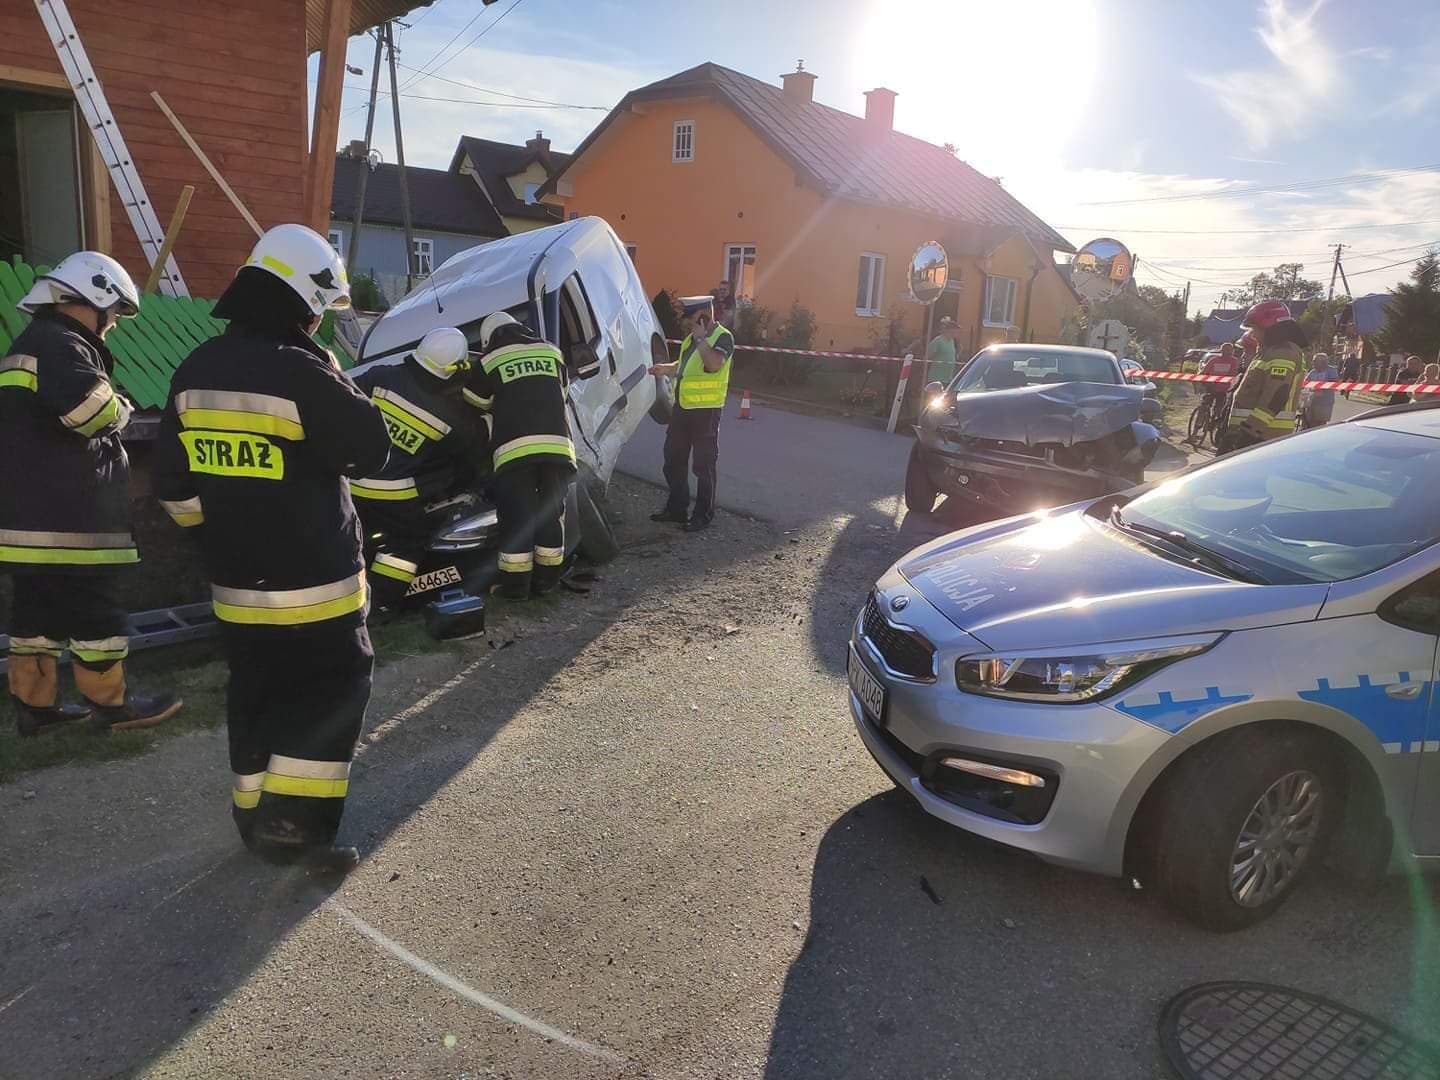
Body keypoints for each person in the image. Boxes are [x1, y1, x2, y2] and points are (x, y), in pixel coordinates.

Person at [154, 224, 390, 872]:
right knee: (329, 691)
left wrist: (222, 533)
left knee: (256, 693)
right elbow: (372, 449)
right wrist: (337, 379)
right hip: (316, 588)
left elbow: (172, 488)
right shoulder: (303, 370)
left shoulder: (194, 370)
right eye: (320, 309)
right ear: (303, 299)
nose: (320, 322)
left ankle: (254, 819)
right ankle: (295, 826)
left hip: (236, 590)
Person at [0, 251, 181, 737]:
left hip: (28, 520)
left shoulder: (29, 343)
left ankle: (34, 708)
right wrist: (121, 405)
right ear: (92, 298)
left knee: (35, 615)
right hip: (71, 520)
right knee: (95, 612)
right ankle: (112, 705)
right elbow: (93, 414)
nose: (115, 325)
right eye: (115, 312)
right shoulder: (63, 345)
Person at [349, 327, 489, 612]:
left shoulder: (380, 377)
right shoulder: (449, 416)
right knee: (405, 546)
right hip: (394, 496)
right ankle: (378, 606)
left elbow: (344, 400)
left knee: (351, 538)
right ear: (454, 369)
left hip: (350, 483)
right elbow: (469, 458)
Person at [464, 312, 582, 598]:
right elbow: (562, 391)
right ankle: (547, 582)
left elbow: (474, 399)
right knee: (551, 515)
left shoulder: (490, 359)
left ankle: (515, 590)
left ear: (490, 338)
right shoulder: (551, 351)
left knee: (518, 518)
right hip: (558, 449)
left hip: (515, 452)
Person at [648, 296, 736, 532]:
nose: (686, 323)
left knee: (703, 465)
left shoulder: (723, 337)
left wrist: (700, 338)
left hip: (706, 411)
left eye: (689, 317)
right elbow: (684, 365)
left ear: (702, 316)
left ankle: (702, 515)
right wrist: (664, 369)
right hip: (683, 409)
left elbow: (714, 364)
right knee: (672, 458)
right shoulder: (691, 339)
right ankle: (677, 509)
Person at [1220, 299, 1308, 452]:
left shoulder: (1283, 353)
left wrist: (1249, 432)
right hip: (1254, 434)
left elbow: (1277, 394)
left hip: (1263, 436)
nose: (1252, 334)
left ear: (1269, 327)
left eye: (1255, 329)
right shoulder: (1269, 352)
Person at [1302, 352, 1338, 429]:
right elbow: (1305, 383)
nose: (1313, 363)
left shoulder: (1331, 371)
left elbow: (1334, 384)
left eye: (1315, 361)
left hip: (1325, 402)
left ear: (1323, 362)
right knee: (1308, 421)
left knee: (1319, 423)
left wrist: (1322, 390)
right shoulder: (1313, 372)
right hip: (1312, 401)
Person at [925, 317, 963, 387]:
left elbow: (954, 355)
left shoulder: (952, 341)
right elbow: (928, 355)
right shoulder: (938, 340)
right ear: (950, 330)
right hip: (937, 378)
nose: (957, 333)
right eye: (956, 331)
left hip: (948, 378)